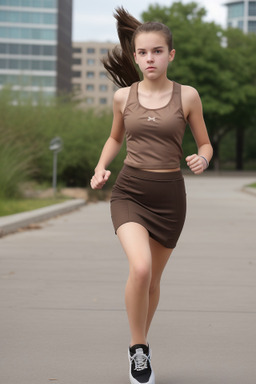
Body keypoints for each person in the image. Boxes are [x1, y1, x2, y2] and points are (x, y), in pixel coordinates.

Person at [90, 7, 213, 384]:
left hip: (170, 197)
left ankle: (142, 344)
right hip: (129, 191)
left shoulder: (188, 96)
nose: (149, 58)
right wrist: (100, 167)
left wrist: (201, 159)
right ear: (135, 56)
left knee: (153, 281)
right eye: (143, 52)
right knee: (140, 268)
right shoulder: (122, 97)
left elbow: (205, 144)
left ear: (170, 54)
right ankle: (137, 349)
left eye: (157, 51)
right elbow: (114, 138)